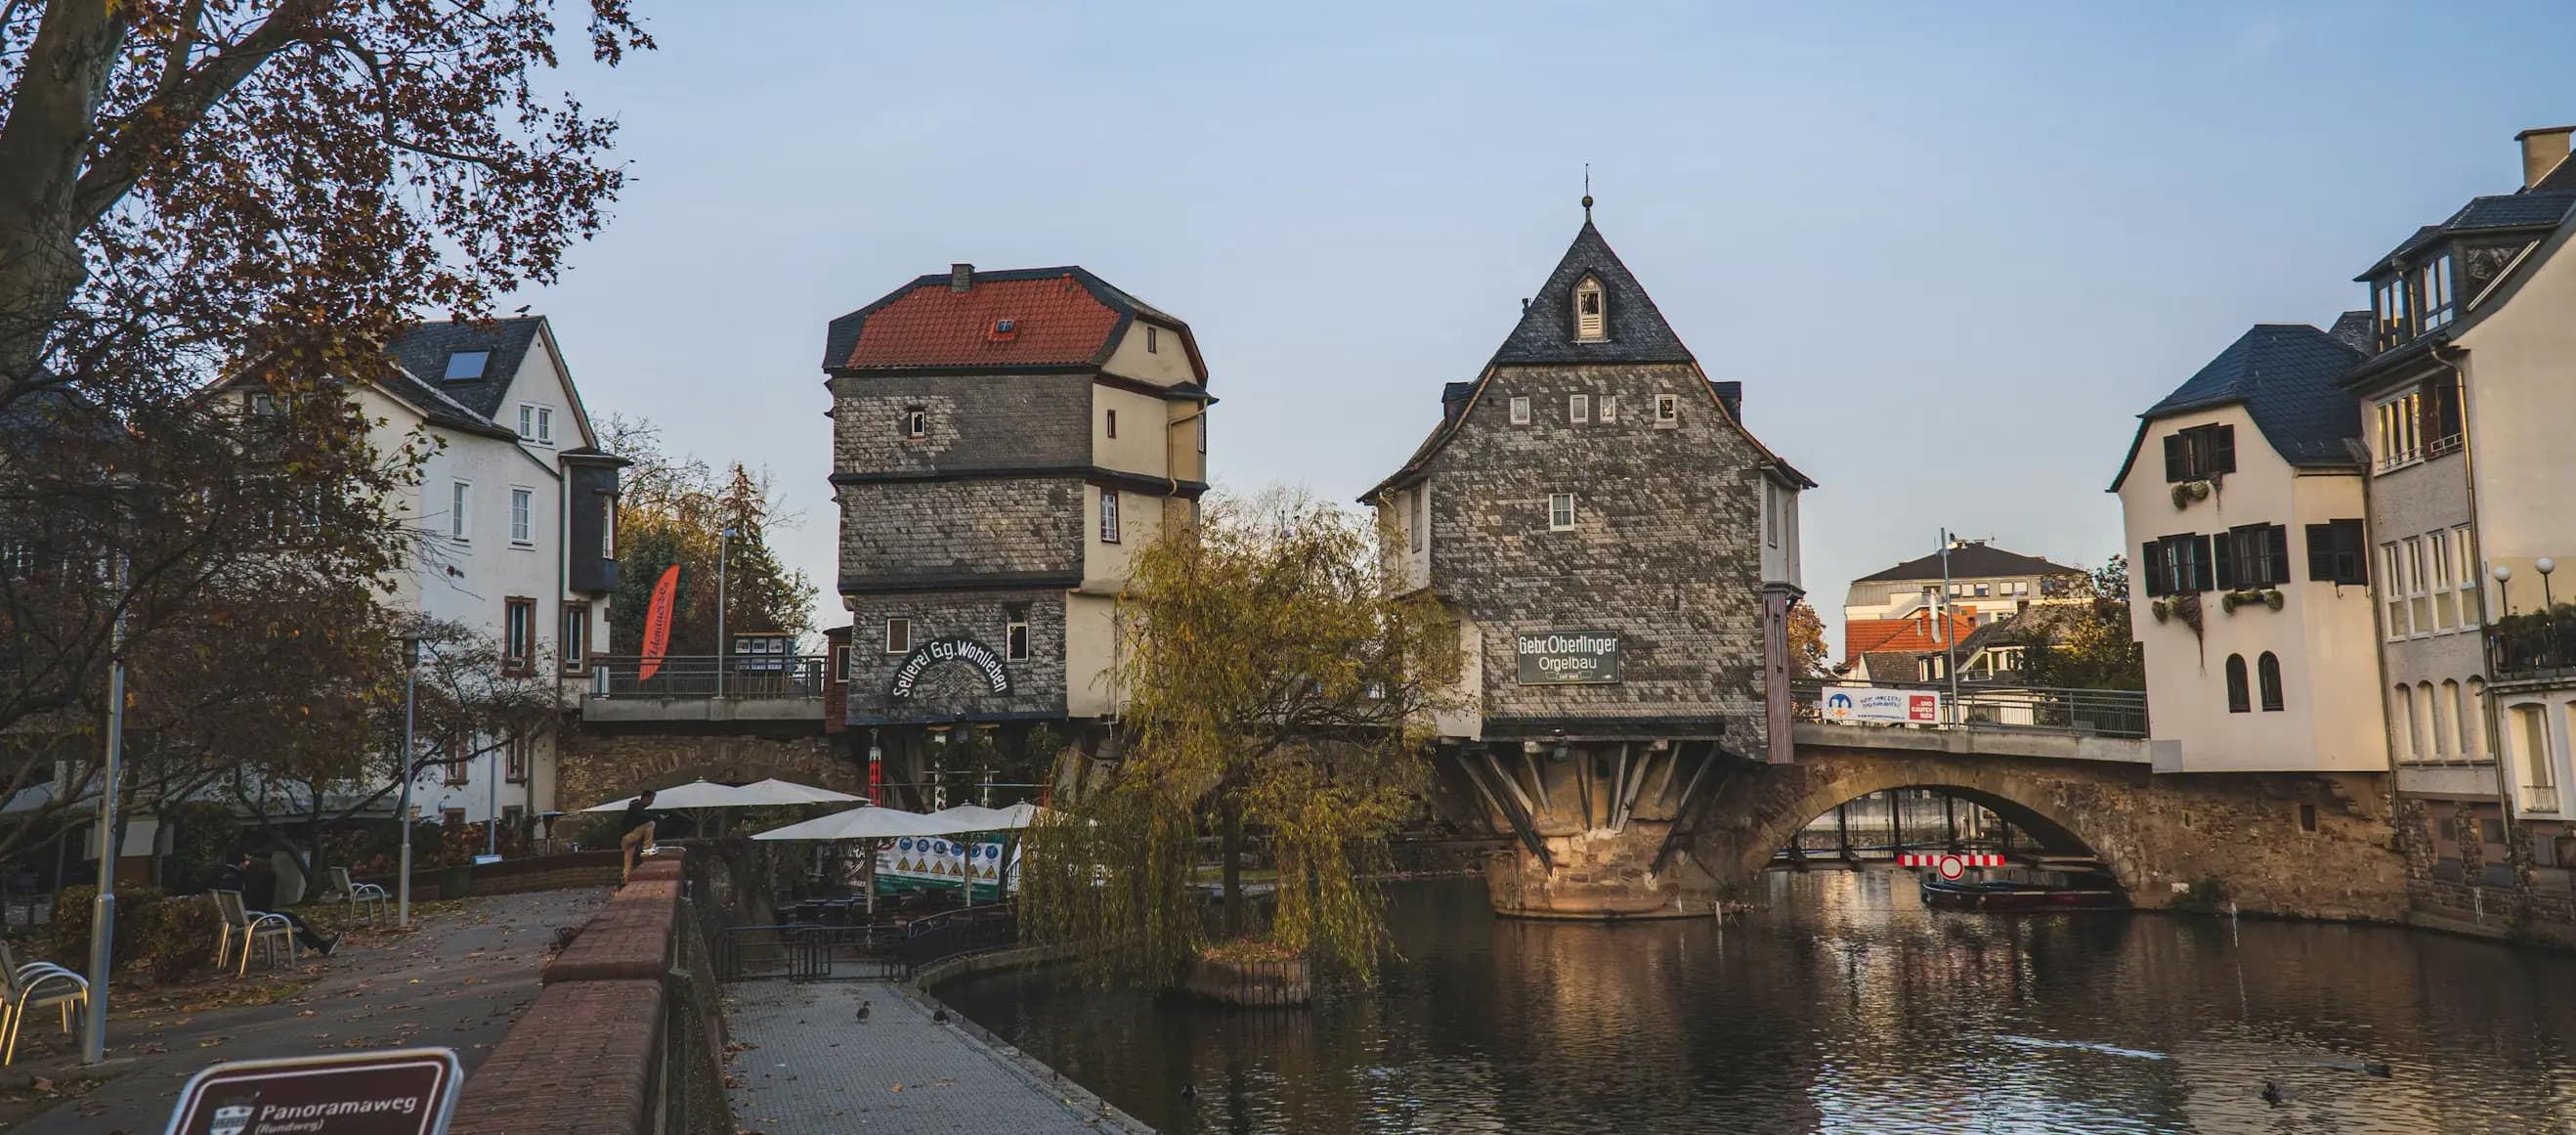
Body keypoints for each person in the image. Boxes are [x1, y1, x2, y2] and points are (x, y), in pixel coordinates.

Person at [211, 851, 337, 957]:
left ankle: (308, 948)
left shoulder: (225, 876)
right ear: (239, 862)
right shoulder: (235, 878)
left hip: (241, 916)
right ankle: (319, 946)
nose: (248, 864)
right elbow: (248, 899)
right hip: (252, 916)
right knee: (288, 918)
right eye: (245, 861)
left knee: (287, 918)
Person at [619, 789, 660, 885]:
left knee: (628, 862)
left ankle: (626, 881)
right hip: (628, 837)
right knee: (651, 823)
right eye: (651, 800)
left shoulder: (636, 807)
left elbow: (640, 821)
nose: (651, 803)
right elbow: (645, 817)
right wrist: (658, 817)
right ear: (645, 798)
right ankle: (647, 848)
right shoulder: (637, 806)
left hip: (625, 839)